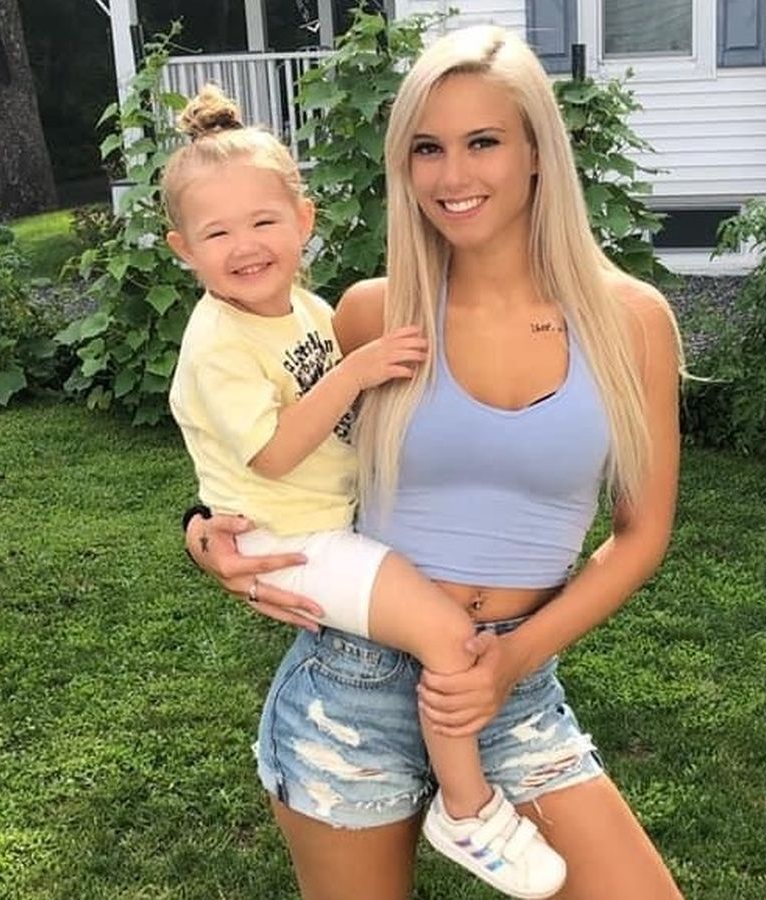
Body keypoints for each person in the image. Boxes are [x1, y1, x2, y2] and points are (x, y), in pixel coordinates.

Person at [185, 25, 684, 900]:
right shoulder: (372, 317)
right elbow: (265, 445)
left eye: (482, 141)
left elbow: (640, 535)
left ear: (537, 151)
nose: (453, 176)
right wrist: (200, 532)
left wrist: (512, 661)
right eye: (427, 148)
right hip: (352, 686)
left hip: (511, 683)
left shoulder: (630, 322)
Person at [164, 85, 568, 898]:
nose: (245, 246)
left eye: (263, 222)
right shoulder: (220, 340)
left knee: (438, 631)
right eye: (217, 233)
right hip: (295, 541)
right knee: (446, 635)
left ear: (303, 220)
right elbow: (272, 453)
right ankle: (468, 809)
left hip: (327, 530)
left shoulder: (305, 310)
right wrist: (355, 372)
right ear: (183, 250)